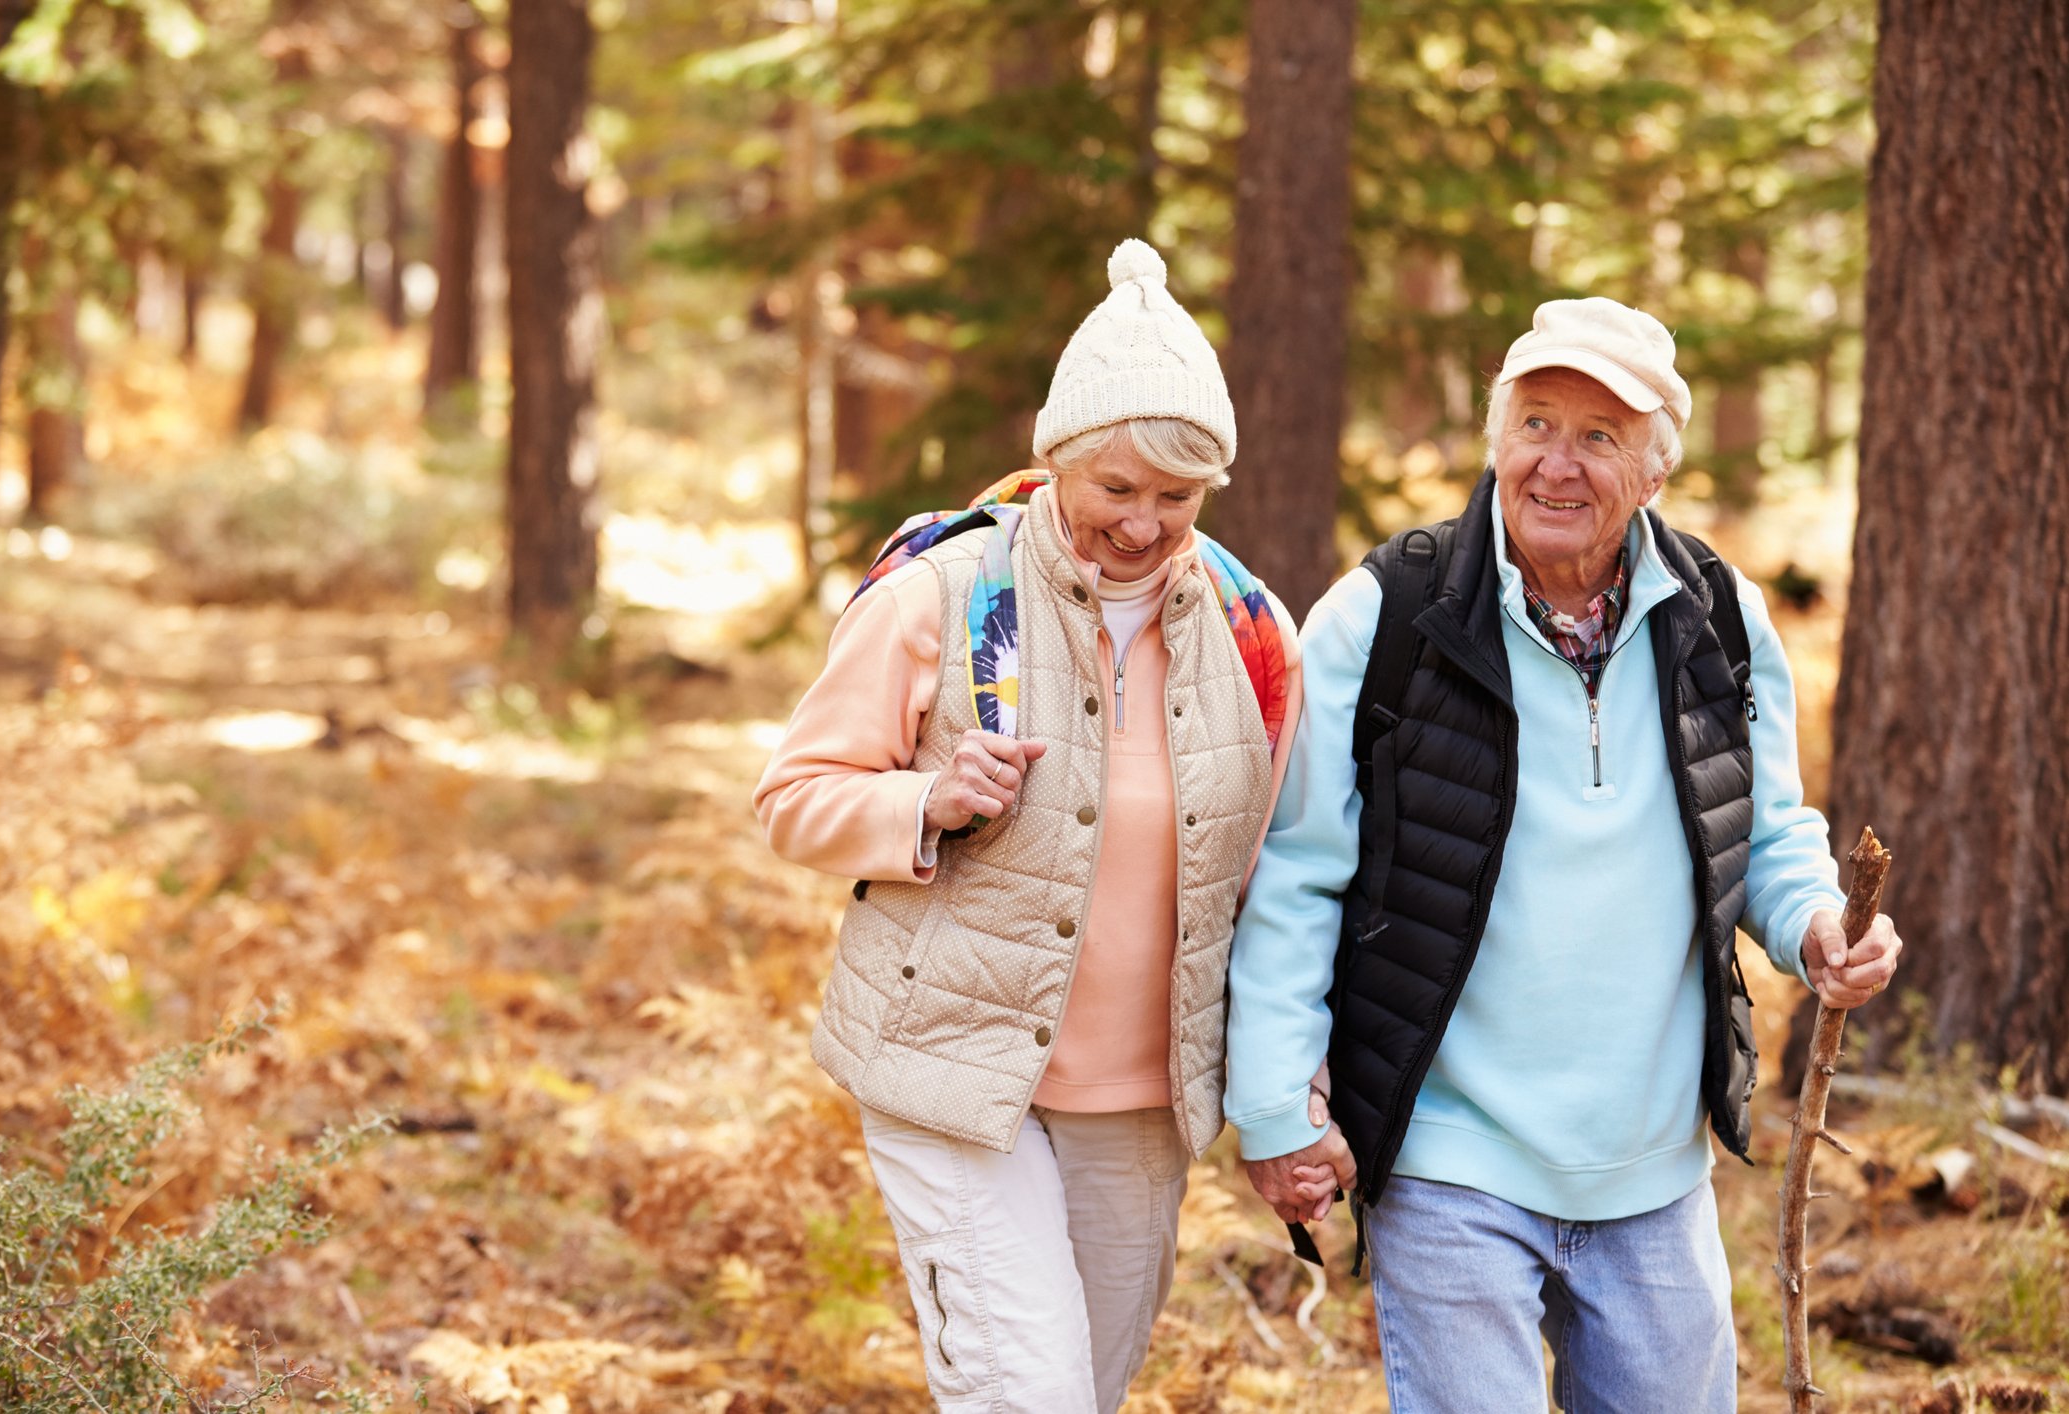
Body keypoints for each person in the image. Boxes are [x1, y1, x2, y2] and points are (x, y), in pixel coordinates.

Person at [1222, 296, 1904, 1412]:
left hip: (1653, 1169)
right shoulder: (1382, 614)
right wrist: (1272, 1104)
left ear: (1655, 468)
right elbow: (1298, 872)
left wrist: (1819, 926)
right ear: (1497, 440)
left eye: (1599, 436)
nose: (1558, 463)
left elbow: (1767, 829)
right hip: (1450, 1153)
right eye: (1537, 423)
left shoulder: (1720, 617)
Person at [756, 238, 1303, 1412]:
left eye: (1177, 496)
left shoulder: (1252, 632)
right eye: (1116, 488)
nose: (1145, 525)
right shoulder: (941, 598)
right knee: (1028, 1397)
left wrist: (1287, 1080)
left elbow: (1279, 879)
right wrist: (925, 802)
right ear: (1055, 462)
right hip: (951, 1072)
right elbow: (792, 799)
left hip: (1144, 1105)